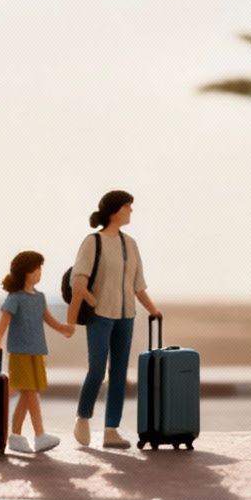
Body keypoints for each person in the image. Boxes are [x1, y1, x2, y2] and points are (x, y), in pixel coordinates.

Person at [68, 190, 162, 448]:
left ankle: (111, 429)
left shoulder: (131, 244)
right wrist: (92, 301)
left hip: (126, 316)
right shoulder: (93, 242)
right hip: (100, 316)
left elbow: (138, 285)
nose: (131, 210)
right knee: (97, 370)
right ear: (115, 210)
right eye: (128, 206)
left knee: (119, 373)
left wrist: (153, 310)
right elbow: (79, 282)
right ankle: (83, 416)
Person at [0, 250, 75, 453]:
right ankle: (39, 434)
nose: (39, 272)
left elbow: (48, 319)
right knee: (30, 392)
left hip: (37, 351)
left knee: (28, 395)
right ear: (25, 272)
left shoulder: (39, 297)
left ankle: (16, 436)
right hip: (20, 352)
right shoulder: (15, 297)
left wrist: (63, 328)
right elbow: (5, 319)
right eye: (36, 269)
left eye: (40, 268)